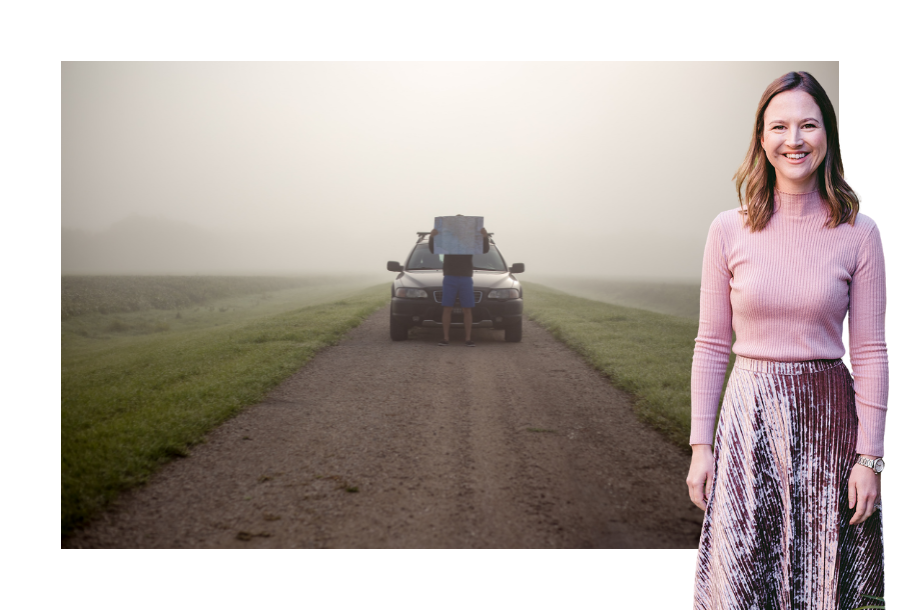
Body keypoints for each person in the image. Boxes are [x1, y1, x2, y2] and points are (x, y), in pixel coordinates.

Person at [685, 71, 886, 608]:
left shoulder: (860, 233)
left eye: (808, 125)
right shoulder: (728, 229)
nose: (794, 139)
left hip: (829, 428)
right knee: (742, 580)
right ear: (762, 138)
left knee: (818, 584)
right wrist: (701, 447)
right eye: (779, 126)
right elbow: (710, 344)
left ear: (828, 136)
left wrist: (870, 459)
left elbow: (869, 351)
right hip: (748, 424)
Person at [429, 220, 490, 346]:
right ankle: (445, 338)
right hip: (450, 276)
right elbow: (433, 249)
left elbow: (484, 249)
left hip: (466, 277)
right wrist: (432, 237)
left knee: (467, 309)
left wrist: (485, 236)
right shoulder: (447, 240)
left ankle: (468, 339)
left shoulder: (470, 241)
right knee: (447, 308)